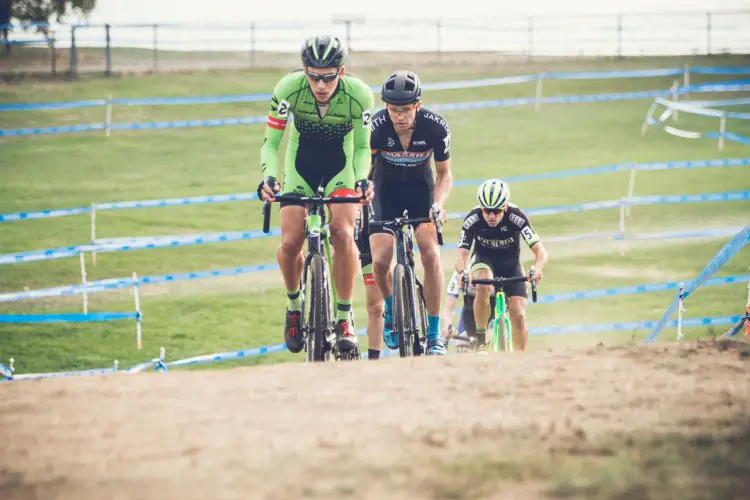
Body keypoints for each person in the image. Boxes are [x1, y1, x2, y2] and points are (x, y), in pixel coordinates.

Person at [257, 34, 374, 355]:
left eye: (329, 76)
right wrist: (268, 176)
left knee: (342, 233)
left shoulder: (360, 95)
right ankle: (294, 306)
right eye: (313, 76)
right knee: (290, 241)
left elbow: (363, 148)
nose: (321, 84)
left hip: (341, 166)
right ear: (304, 71)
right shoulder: (287, 90)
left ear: (342, 71)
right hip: (301, 165)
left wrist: (363, 180)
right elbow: (271, 142)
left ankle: (343, 316)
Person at [359, 70, 453, 358]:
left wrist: (438, 205)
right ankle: (390, 307)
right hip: (384, 191)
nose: (398, 117)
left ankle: (435, 334)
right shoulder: (375, 127)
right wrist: (361, 192)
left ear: (418, 106)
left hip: (419, 192)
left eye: (405, 110)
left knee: (430, 253)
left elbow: (444, 174)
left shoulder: (436, 128)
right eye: (393, 110)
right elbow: (364, 168)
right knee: (381, 258)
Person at [454, 179, 548, 353]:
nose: (491, 216)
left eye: (496, 211)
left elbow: (540, 251)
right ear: (481, 208)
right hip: (484, 261)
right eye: (487, 211)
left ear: (505, 207)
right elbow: (462, 254)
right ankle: (481, 340)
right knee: (483, 282)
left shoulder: (517, 217)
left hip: (511, 265)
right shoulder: (472, 219)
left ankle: (521, 357)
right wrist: (462, 271)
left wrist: (537, 269)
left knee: (518, 315)